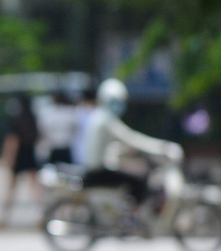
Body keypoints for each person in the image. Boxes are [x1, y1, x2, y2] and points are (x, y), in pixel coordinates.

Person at [77, 77, 182, 210]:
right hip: (97, 171)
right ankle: (134, 218)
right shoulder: (105, 119)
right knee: (138, 181)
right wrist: (160, 147)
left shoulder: (97, 116)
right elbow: (131, 138)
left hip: (93, 168)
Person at [0, 94, 41, 230]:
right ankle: (39, 215)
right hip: (30, 153)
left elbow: (12, 140)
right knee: (35, 188)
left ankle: (4, 218)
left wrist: (8, 158)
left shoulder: (17, 120)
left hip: (20, 154)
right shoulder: (32, 119)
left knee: (11, 189)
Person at [39, 91, 79, 166]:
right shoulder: (70, 112)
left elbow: (43, 130)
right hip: (63, 147)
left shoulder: (49, 113)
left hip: (56, 147)